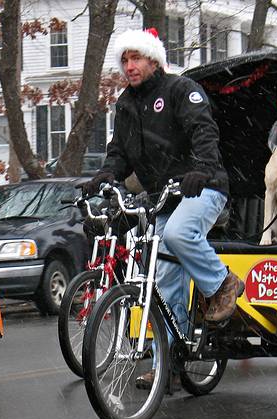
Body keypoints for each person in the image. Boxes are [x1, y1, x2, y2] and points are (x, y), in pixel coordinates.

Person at [83, 28, 244, 386]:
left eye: (135, 58)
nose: (129, 66)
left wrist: (202, 167)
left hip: (204, 187)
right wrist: (106, 175)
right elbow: (120, 153)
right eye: (125, 60)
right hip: (164, 196)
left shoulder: (179, 90)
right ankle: (167, 364)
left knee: (177, 233)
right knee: (163, 279)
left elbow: (204, 130)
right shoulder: (125, 104)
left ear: (153, 59)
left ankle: (223, 284)